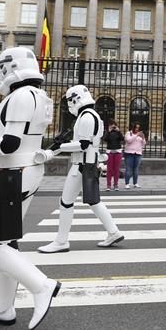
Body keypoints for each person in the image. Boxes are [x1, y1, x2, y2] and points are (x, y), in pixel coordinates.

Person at [0, 47, 61, 330]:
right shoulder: (39, 97)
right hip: (23, 171)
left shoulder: (20, 96)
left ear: (10, 67)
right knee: (6, 242)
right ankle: (3, 307)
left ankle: (41, 285)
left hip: (11, 172)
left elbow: (9, 144)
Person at [37, 85, 124, 253]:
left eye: (70, 100)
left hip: (81, 165)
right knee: (93, 201)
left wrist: (60, 147)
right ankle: (113, 232)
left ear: (75, 99)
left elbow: (83, 145)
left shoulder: (86, 117)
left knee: (66, 202)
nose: (69, 104)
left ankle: (61, 241)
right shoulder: (93, 115)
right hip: (88, 164)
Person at [123, 124, 146, 189]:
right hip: (129, 153)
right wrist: (136, 135)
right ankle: (127, 183)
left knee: (136, 169)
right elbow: (128, 141)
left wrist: (143, 138)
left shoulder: (140, 135)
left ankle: (135, 183)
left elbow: (143, 144)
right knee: (129, 169)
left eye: (138, 128)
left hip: (138, 153)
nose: (137, 129)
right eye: (136, 128)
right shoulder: (128, 133)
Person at [103, 121, 124, 191]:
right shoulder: (108, 132)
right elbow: (105, 139)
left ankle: (116, 184)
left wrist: (119, 131)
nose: (113, 127)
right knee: (109, 169)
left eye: (114, 125)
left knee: (116, 169)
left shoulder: (118, 132)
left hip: (117, 152)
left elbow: (122, 139)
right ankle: (108, 185)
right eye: (111, 125)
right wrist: (108, 131)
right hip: (110, 152)